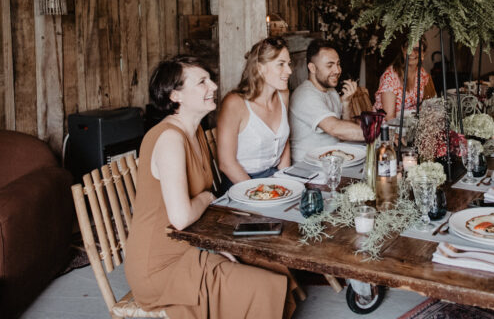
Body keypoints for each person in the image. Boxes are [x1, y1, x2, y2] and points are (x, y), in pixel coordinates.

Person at [125, 56, 295, 319]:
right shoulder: (170, 138)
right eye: (202, 82)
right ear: (175, 95)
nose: (214, 86)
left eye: (210, 80)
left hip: (192, 242)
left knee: (272, 262)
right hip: (163, 264)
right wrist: (207, 196)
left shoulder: (196, 133)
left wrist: (217, 244)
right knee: (262, 285)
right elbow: (181, 218)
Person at [217, 38, 292, 190]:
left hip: (274, 178)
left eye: (289, 64)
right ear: (260, 68)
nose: (289, 71)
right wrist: (261, 193)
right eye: (281, 64)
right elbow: (226, 163)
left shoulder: (283, 95)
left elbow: (285, 141)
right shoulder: (234, 103)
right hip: (239, 183)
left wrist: (286, 181)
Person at [289, 39, 365, 163]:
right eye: (330, 65)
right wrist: (380, 133)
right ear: (312, 68)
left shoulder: (330, 90)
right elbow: (335, 129)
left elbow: (344, 128)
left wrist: (346, 103)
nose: (337, 70)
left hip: (332, 160)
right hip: (310, 168)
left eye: (338, 64)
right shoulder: (305, 95)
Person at [373, 38, 436, 121]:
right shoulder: (390, 76)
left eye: (417, 49)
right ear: (403, 50)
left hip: (410, 124)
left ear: (423, 54)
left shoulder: (422, 74)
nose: (411, 52)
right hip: (387, 126)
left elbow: (431, 103)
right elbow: (389, 118)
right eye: (408, 47)